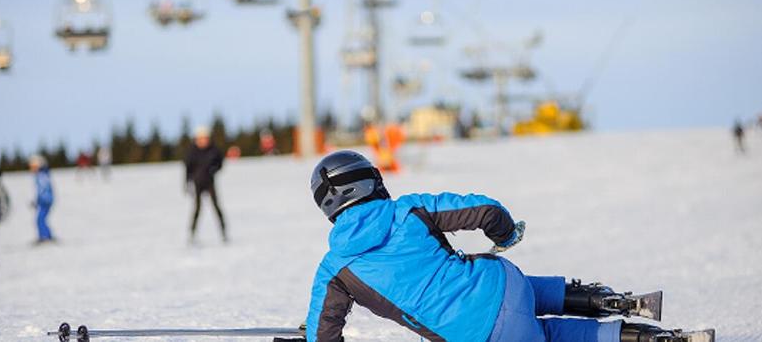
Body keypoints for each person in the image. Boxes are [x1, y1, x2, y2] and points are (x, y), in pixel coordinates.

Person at [298, 150, 712, 342]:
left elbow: (323, 337)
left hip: (477, 335)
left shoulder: (334, 270)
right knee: (511, 290)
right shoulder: (410, 210)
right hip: (505, 284)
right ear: (372, 181)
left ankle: (647, 341)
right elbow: (485, 210)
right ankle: (604, 299)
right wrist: (505, 235)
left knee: (546, 336)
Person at [184, 126, 226, 243]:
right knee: (197, 209)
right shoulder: (192, 152)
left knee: (216, 207)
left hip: (210, 183)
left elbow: (220, 163)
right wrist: (187, 183)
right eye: (200, 138)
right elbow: (187, 169)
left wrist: (214, 169)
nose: (203, 140)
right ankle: (192, 235)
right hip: (198, 183)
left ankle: (224, 233)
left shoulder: (214, 150)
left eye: (205, 138)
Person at [29, 154, 55, 244]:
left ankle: (45, 237)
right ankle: (45, 236)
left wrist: (39, 200)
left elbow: (43, 189)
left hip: (45, 201)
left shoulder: (42, 176)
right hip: (44, 200)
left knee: (40, 219)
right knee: (40, 219)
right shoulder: (40, 175)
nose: (32, 169)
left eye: (33, 166)